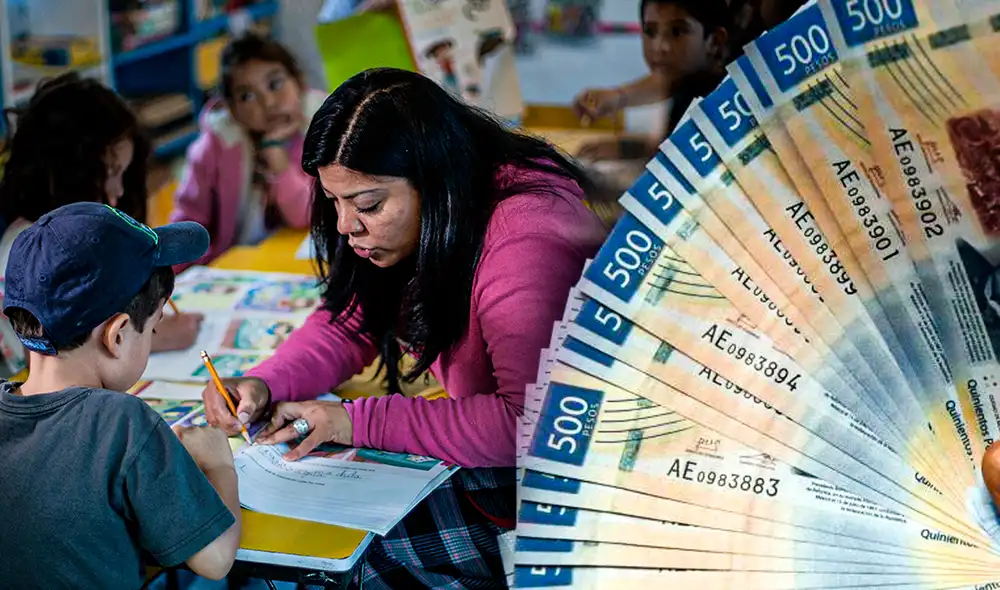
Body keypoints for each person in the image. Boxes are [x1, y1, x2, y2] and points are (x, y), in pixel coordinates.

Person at [200, 67, 607, 588]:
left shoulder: (526, 239)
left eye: (368, 205)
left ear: (433, 181)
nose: (345, 226)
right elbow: (351, 321)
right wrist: (266, 381)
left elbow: (529, 422)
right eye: (334, 202)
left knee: (359, 565)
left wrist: (354, 421)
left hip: (579, 493)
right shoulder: (427, 219)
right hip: (510, 463)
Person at [0, 202, 241, 587]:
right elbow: (216, 560)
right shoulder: (123, 424)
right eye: (153, 329)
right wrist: (219, 466)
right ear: (117, 335)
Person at [0, 73, 203, 378]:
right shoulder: (26, 249)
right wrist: (155, 336)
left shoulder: (91, 236)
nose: (119, 190)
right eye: (110, 172)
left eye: (124, 173)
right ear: (69, 173)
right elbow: (48, 356)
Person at [170, 32, 325, 269]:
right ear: (231, 109)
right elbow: (186, 228)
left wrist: (278, 159)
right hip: (232, 268)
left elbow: (304, 216)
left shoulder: (322, 129)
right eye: (247, 96)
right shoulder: (214, 147)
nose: (268, 103)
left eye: (275, 84)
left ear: (300, 82)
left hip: (289, 262)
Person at [573, 0, 731, 161]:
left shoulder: (724, 104)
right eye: (650, 31)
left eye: (677, 32)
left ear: (715, 41)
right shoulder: (687, 89)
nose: (659, 47)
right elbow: (675, 148)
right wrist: (626, 149)